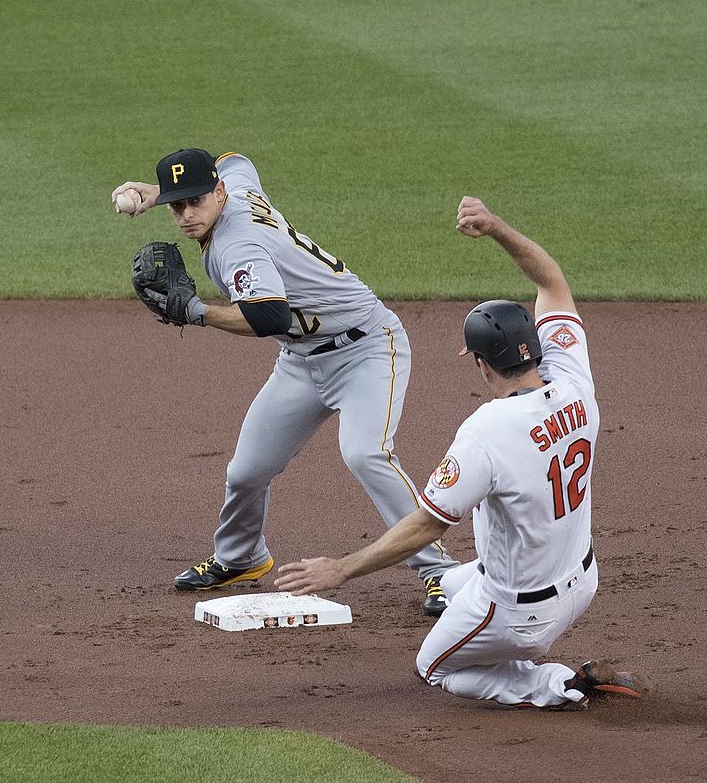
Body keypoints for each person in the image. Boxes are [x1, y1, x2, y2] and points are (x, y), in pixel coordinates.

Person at [275, 196, 644, 708]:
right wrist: (496, 227)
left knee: (433, 666)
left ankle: (557, 683)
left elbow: (428, 525)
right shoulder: (574, 380)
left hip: (521, 615)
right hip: (580, 578)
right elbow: (551, 281)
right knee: (452, 578)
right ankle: (464, 595)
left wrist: (341, 568)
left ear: (482, 366)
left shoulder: (487, 431)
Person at [112, 149, 458, 616]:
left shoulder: (239, 246)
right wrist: (154, 193)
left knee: (366, 453)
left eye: (195, 202)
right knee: (247, 470)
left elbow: (267, 316)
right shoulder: (235, 184)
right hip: (300, 360)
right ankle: (241, 557)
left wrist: (197, 314)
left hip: (366, 349)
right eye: (177, 206)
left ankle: (440, 572)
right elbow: (235, 157)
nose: (186, 215)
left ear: (218, 193)